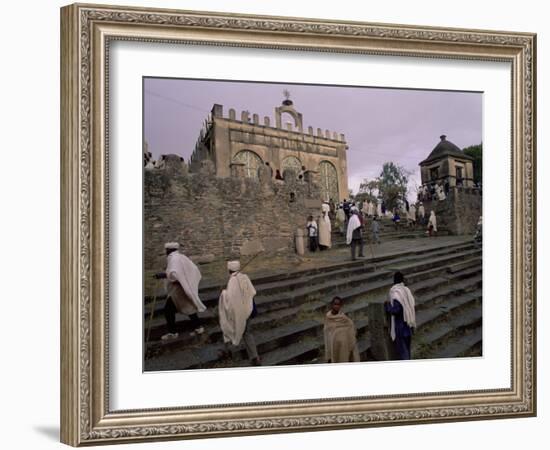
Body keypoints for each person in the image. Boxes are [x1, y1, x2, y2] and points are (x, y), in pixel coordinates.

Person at [154, 242, 207, 341]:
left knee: (168, 310)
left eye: (166, 250)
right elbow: (193, 269)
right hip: (183, 288)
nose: (166, 252)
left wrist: (164, 275)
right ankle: (198, 327)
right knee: (188, 306)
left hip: (177, 290)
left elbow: (174, 274)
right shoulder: (182, 257)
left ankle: (173, 333)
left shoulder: (173, 259)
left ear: (168, 250)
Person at [218, 261, 261, 366]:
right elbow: (252, 292)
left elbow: (230, 299)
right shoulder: (245, 277)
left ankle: (227, 351)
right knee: (247, 333)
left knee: (230, 328)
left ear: (229, 270)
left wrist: (223, 293)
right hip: (248, 310)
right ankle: (255, 357)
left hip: (239, 312)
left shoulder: (232, 280)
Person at [384, 272, 416, 360]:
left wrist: (387, 306)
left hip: (400, 327)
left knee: (403, 353)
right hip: (409, 326)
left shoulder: (396, 293)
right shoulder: (407, 290)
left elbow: (396, 310)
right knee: (407, 351)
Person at [324, 297, 360, 363]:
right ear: (332, 305)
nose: (336, 306)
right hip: (332, 342)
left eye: (338, 305)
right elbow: (327, 332)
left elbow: (351, 325)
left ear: (340, 306)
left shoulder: (343, 317)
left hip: (343, 344)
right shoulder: (328, 317)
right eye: (335, 304)